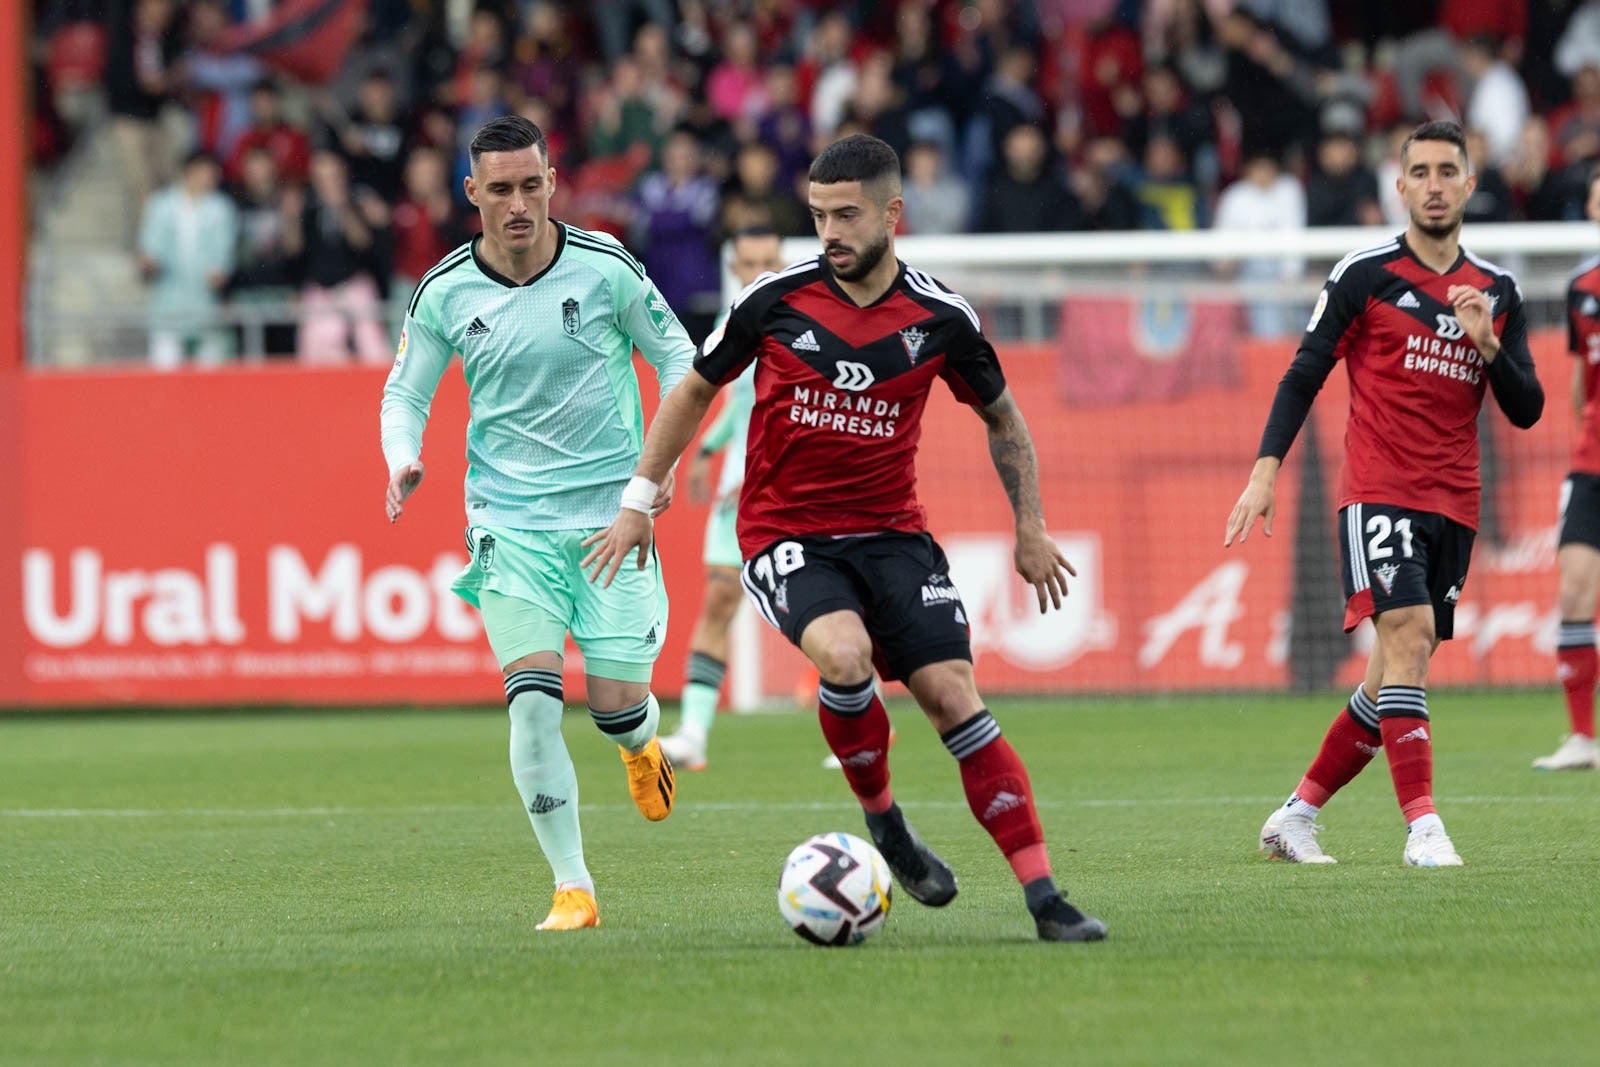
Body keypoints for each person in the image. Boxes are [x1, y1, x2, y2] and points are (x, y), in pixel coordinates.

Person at [583, 134, 1107, 943]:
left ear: (893, 214)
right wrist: (638, 500)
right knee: (845, 655)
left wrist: (1029, 528)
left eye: (846, 214)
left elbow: (1004, 419)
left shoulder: (941, 318)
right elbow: (691, 391)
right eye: (819, 214)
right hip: (785, 531)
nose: (828, 231)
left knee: (954, 697)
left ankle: (1045, 896)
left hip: (895, 535)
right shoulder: (773, 300)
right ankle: (885, 821)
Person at [380, 116, 695, 932]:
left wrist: (650, 475)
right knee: (531, 700)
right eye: (501, 188)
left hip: (609, 521)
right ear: (471, 193)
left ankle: (640, 744)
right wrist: (402, 455)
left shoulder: (605, 269)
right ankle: (573, 886)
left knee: (620, 703)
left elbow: (679, 360)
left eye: (532, 185)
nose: (518, 203)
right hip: (508, 523)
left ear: (552, 182)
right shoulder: (446, 289)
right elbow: (406, 391)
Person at [1225, 121, 1545, 867]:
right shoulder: (1365, 273)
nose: (1434, 184)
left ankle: (1295, 815)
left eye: (1448, 171)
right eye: (1421, 172)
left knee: (1395, 668)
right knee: (1404, 634)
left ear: (1469, 185)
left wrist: (1487, 345)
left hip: (1454, 502)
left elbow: (1526, 409)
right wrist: (1266, 467)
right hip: (1378, 490)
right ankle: (1423, 827)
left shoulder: (1497, 291)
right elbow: (1304, 371)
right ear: (1399, 187)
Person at [657, 227, 786, 772]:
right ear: (735, 267)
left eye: (769, 260)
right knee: (718, 602)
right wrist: (709, 448)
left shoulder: (801, 320)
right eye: (749, 261)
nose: (759, 270)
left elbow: (794, 408)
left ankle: (866, 723)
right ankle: (693, 734)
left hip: (789, 487)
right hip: (738, 492)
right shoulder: (728, 323)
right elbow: (739, 403)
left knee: (824, 607)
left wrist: (758, 463)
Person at [1539, 165, 1600, 771]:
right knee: (1575, 590)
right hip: (1592, 465)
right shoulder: (1582, 288)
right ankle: (1583, 737)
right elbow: (1583, 381)